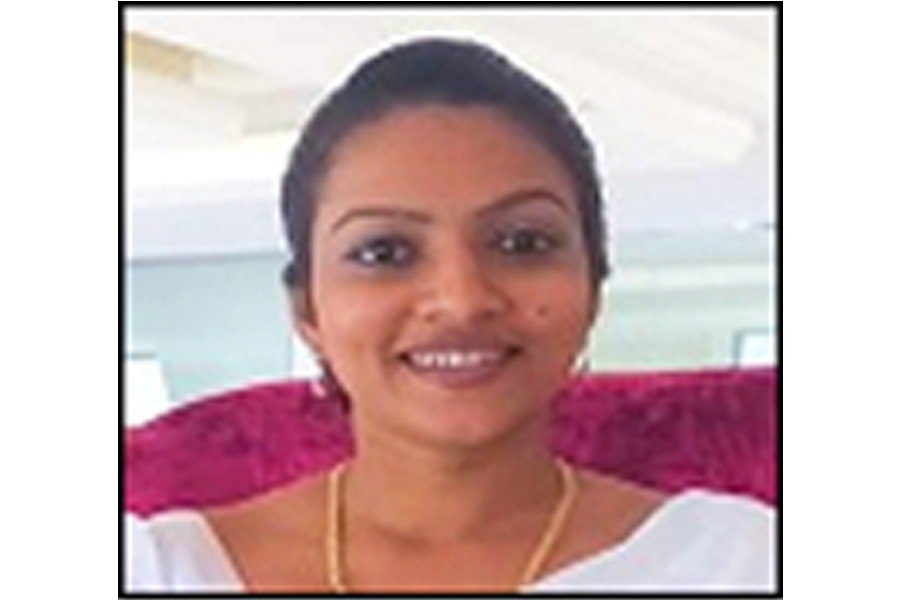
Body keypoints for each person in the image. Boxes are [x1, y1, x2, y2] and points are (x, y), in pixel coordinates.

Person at [126, 37, 774, 593]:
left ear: (593, 288)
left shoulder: (737, 563)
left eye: (523, 243)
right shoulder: (159, 571)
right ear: (308, 310)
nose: (462, 300)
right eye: (385, 252)